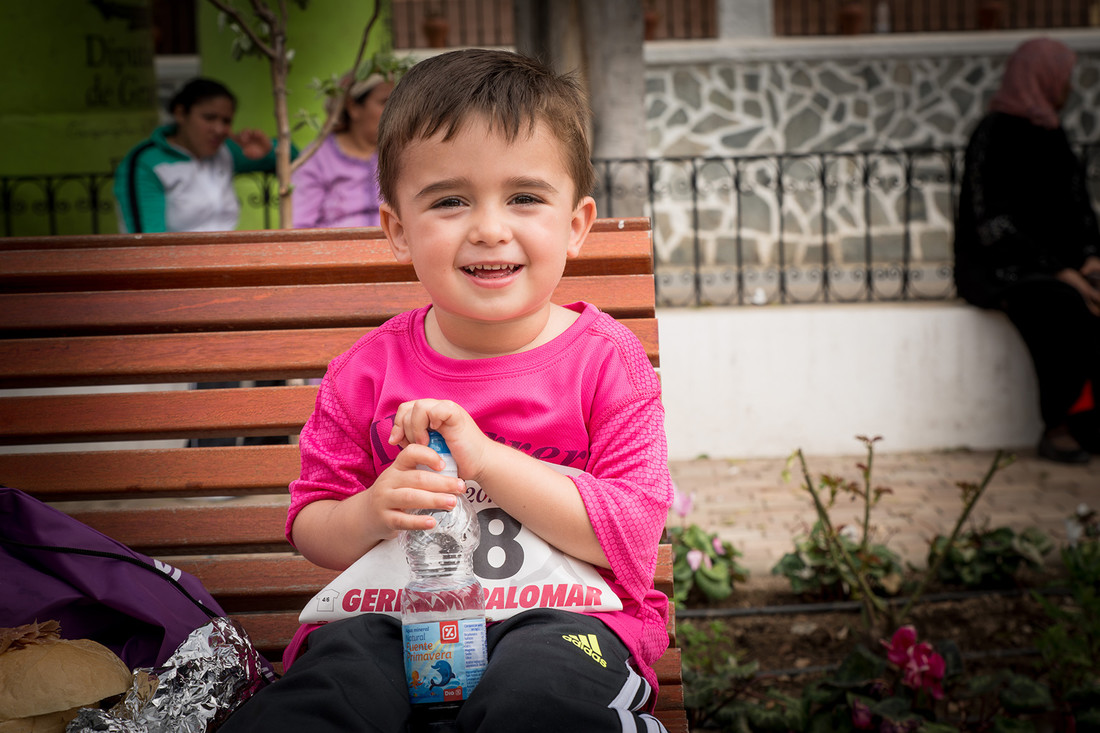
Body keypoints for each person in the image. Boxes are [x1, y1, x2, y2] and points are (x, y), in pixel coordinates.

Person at [219, 49, 674, 732]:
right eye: (450, 200)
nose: (489, 226)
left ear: (576, 224)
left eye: (524, 196)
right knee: (322, 698)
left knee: (541, 700)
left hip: (567, 620)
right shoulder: (363, 374)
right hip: (388, 618)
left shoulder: (605, 361)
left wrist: (486, 459)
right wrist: (373, 508)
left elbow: (629, 535)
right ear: (398, 229)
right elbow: (315, 525)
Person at [954, 37, 1100, 464]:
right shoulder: (993, 135)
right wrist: (1062, 272)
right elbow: (993, 226)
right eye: (1063, 76)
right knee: (1061, 304)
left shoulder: (1053, 133)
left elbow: (1079, 206)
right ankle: (1058, 428)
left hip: (1061, 266)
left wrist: (1091, 257)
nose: (1067, 86)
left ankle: (1092, 425)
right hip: (1002, 268)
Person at [114, 77, 279, 234]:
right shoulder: (146, 162)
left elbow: (296, 163)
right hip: (176, 262)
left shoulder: (226, 151)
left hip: (227, 259)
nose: (219, 129)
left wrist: (268, 150)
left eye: (226, 121)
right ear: (180, 113)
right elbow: (147, 244)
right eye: (209, 118)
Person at [291, 69, 395, 229]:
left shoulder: (398, 153)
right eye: (385, 102)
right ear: (353, 107)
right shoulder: (317, 158)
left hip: (396, 251)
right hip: (335, 252)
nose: (394, 111)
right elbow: (300, 226)